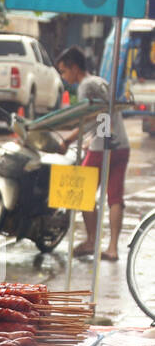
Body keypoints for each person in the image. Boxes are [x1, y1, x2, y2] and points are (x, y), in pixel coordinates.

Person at [56, 45, 129, 262]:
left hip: (102, 148)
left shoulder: (85, 86)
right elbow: (105, 117)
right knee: (115, 197)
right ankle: (112, 248)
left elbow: (90, 118)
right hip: (121, 145)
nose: (64, 76)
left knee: (81, 193)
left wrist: (68, 139)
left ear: (75, 68)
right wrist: (91, 138)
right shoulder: (100, 81)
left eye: (63, 71)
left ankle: (91, 241)